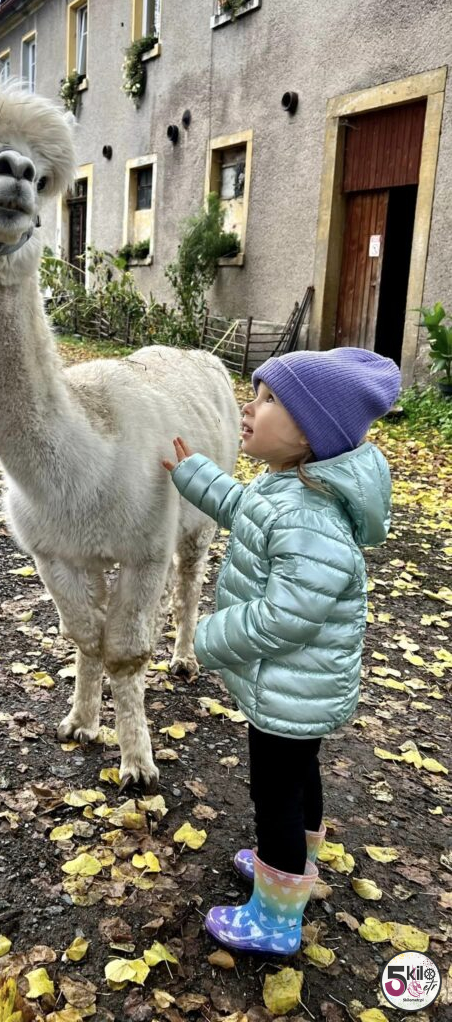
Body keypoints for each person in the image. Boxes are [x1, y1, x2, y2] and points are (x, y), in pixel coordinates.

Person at [162, 347, 401, 956]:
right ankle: (299, 864)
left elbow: (285, 617)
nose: (249, 407)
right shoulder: (292, 485)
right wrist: (197, 477)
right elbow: (247, 510)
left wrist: (208, 636)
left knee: (276, 796)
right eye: (255, 393)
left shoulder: (310, 516)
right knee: (298, 778)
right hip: (297, 684)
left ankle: (275, 917)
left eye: (270, 401)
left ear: (311, 434)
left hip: (292, 684)